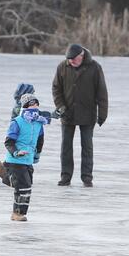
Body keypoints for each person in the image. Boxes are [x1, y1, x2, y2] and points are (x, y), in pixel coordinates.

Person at [52, 43, 108, 187]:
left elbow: (102, 93)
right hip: (67, 114)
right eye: (68, 59)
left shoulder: (95, 67)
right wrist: (61, 107)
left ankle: (87, 178)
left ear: (81, 56)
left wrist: (102, 114)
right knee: (66, 148)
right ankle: (65, 177)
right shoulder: (62, 67)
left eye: (73, 59)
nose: (71, 62)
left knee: (87, 147)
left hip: (87, 114)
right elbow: (56, 89)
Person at [0, 93, 48, 221]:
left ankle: (1, 170)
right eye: (31, 104)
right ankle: (18, 214)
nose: (35, 106)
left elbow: (40, 140)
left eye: (36, 103)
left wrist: (37, 155)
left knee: (25, 185)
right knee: (23, 186)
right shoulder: (17, 122)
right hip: (15, 159)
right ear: (25, 106)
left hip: (28, 159)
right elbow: (9, 142)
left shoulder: (39, 123)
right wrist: (16, 152)